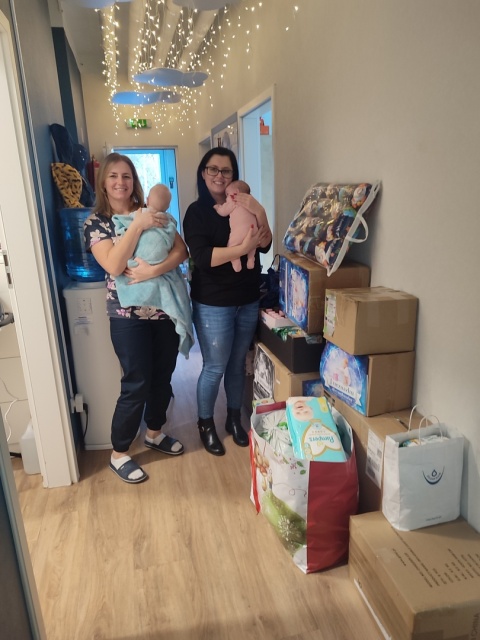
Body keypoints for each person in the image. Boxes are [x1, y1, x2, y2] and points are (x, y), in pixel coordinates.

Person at [84, 153, 189, 484]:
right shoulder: (96, 223)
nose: (120, 182)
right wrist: (138, 225)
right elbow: (114, 265)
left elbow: (181, 251)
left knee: (162, 376)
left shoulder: (152, 211)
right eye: (113, 176)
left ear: (134, 181)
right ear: (104, 183)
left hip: (163, 309)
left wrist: (154, 270)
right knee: (136, 382)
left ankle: (154, 433)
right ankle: (119, 453)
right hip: (126, 315)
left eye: (126, 176)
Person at [183, 147, 272, 456]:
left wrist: (260, 211)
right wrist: (242, 249)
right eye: (213, 169)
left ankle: (234, 418)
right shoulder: (197, 212)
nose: (219, 176)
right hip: (213, 302)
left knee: (237, 365)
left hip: (247, 298)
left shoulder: (246, 202)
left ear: (234, 174)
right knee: (215, 366)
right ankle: (205, 424)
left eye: (226, 170)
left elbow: (265, 244)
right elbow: (202, 257)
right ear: (203, 173)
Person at [214, 180, 258, 272]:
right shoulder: (251, 202)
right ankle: (250, 260)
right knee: (253, 247)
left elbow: (224, 212)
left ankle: (236, 263)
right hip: (254, 230)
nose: (226, 197)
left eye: (227, 194)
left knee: (232, 246)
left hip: (240, 232)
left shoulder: (233, 200)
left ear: (236, 192)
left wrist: (218, 208)